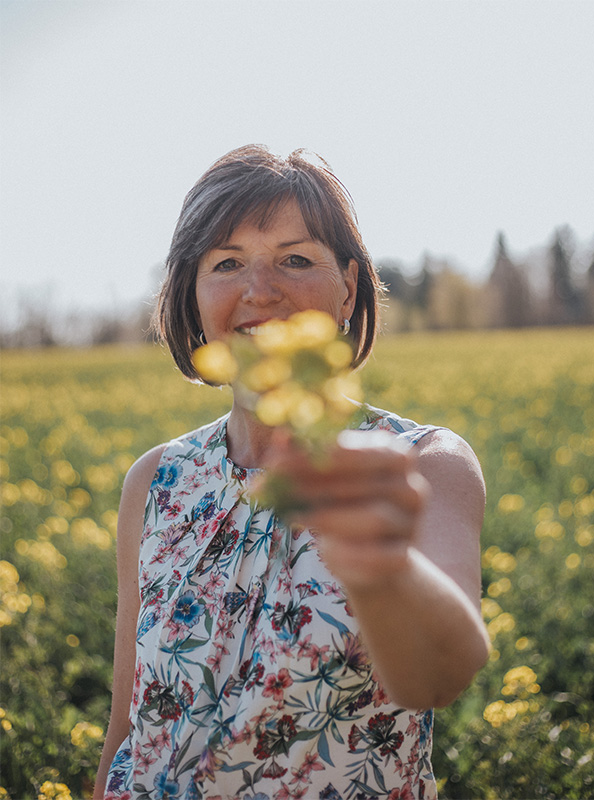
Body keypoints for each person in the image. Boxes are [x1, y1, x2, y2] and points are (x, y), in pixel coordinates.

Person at [94, 145, 490, 800]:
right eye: (226, 263)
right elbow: (129, 720)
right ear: (191, 297)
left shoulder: (422, 464)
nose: (261, 290)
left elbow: (438, 680)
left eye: (296, 259)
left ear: (349, 289)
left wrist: (379, 562)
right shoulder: (155, 480)